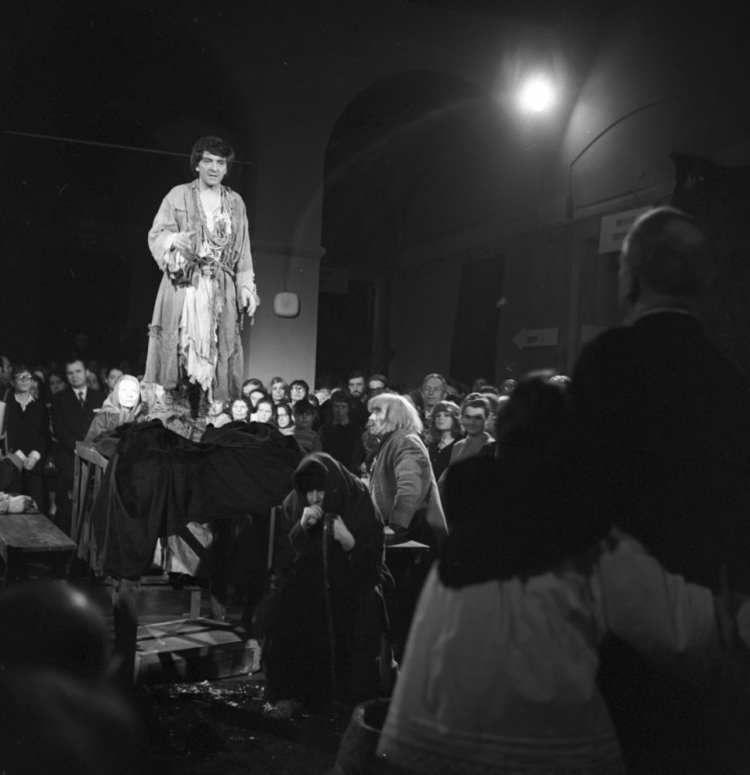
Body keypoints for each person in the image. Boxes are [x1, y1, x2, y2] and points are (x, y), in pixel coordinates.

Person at [377, 373, 750, 775]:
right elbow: (693, 635)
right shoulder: (586, 544)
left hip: (422, 750)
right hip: (545, 756)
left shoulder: (470, 539)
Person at [571, 206, 750, 773]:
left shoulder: (607, 362)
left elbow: (576, 490)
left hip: (612, 620)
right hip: (703, 618)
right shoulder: (731, 379)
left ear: (629, 279)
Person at [261, 452, 390, 720]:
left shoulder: (359, 500)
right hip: (311, 580)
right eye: (310, 493)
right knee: (285, 606)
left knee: (359, 612)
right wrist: (300, 529)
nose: (316, 498)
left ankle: (347, 694)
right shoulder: (294, 504)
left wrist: (350, 543)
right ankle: (291, 693)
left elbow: (374, 566)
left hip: (354, 581)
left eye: (321, 491)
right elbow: (282, 562)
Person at [143, 135, 259, 404]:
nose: (214, 168)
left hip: (220, 289)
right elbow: (157, 234)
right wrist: (174, 240)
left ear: (227, 168)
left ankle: (210, 414)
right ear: (197, 164)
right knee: (182, 353)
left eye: (220, 163)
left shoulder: (235, 203)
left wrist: (245, 288)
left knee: (218, 353)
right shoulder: (178, 194)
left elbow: (243, 251)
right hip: (185, 284)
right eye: (208, 161)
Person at [367, 393, 447, 549]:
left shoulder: (405, 441)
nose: (371, 418)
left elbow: (411, 488)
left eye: (377, 412)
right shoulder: (394, 440)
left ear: (394, 416)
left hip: (411, 536)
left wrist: (395, 526)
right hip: (404, 532)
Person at [51, 357, 105, 534]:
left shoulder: (99, 397)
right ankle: (62, 555)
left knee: (93, 507)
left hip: (94, 457)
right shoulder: (59, 398)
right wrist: (77, 448)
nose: (74, 376)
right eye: (70, 373)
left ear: (86, 372)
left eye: (78, 371)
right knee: (66, 508)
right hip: (69, 457)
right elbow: (59, 429)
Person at [4, 363, 49, 511]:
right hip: (10, 463)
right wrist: (17, 455)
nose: (24, 380)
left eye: (28, 377)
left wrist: (35, 455)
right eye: (20, 377)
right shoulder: (6, 405)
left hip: (32, 463)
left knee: (37, 509)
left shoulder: (39, 406)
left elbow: (43, 435)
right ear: (12, 382)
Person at [84, 375, 143, 445]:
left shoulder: (142, 418)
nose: (129, 395)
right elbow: (90, 444)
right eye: (124, 390)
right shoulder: (105, 417)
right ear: (116, 393)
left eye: (134, 391)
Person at [319, 389, 366, 474]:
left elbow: (357, 455)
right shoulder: (324, 429)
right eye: (336, 406)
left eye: (343, 407)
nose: (339, 410)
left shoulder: (357, 430)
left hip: (350, 474)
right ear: (332, 408)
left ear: (348, 409)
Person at [425, 400, 462, 482]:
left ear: (455, 419)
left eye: (446, 415)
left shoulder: (461, 443)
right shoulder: (432, 444)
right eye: (438, 416)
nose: (441, 418)